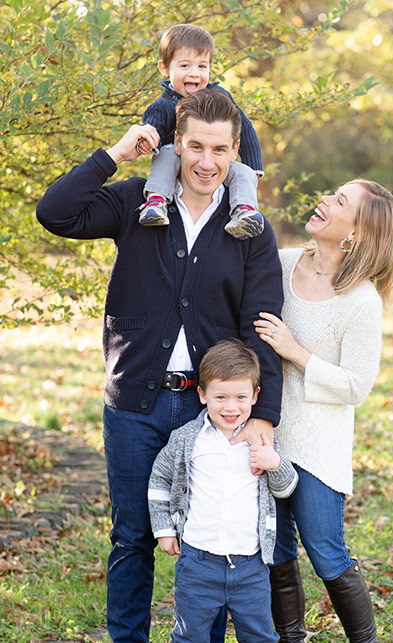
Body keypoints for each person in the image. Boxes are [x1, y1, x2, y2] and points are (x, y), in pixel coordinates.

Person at [36, 88, 284, 643]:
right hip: (134, 404)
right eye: (195, 146)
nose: (206, 162)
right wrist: (115, 154)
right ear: (177, 143)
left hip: (216, 413)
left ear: (235, 150)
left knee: (217, 540)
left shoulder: (250, 229)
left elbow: (260, 326)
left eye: (219, 150)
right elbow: (54, 212)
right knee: (131, 537)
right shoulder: (135, 203)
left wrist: (262, 413)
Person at [252, 179, 393, 643]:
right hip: (267, 434)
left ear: (355, 234)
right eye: (331, 193)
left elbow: (356, 386)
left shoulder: (361, 301)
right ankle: (290, 637)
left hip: (319, 449)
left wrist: (295, 352)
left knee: (324, 551)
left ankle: (365, 639)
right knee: (275, 549)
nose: (323, 200)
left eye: (339, 201)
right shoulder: (278, 264)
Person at [148, 339, 298, 642]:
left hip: (250, 565)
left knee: (259, 636)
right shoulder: (188, 439)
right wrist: (163, 529)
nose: (231, 407)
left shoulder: (262, 441)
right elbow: (159, 478)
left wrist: (275, 463)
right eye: (221, 397)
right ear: (202, 395)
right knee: (191, 636)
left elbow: (285, 489)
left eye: (241, 397)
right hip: (198, 563)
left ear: (255, 396)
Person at [137, 23, 264, 240]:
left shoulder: (220, 97)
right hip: (176, 160)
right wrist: (147, 141)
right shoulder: (164, 106)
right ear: (165, 68)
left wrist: (254, 165)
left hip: (210, 164)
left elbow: (245, 127)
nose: (194, 74)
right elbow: (152, 128)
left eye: (202, 67)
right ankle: (156, 202)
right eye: (185, 66)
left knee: (243, 172)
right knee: (167, 155)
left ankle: (244, 212)